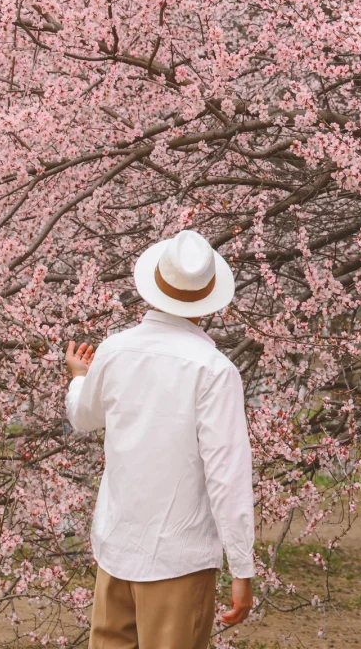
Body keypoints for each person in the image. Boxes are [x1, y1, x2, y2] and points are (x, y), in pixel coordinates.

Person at [64, 228, 255, 648]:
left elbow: (82, 417)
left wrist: (79, 378)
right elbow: (228, 475)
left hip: (116, 546)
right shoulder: (214, 370)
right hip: (178, 557)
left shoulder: (115, 350)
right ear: (206, 302)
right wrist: (242, 566)